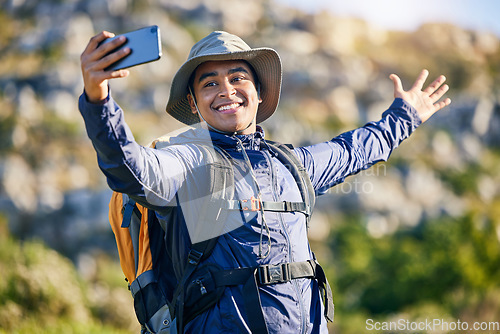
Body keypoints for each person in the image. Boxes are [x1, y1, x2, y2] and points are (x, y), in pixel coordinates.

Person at [79, 30, 451, 334]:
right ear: (193, 104)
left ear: (260, 93)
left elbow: (353, 150)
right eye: (209, 83)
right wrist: (98, 99)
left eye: (237, 78)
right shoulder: (186, 162)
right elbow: (130, 168)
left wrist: (405, 115)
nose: (225, 90)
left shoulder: (291, 164)